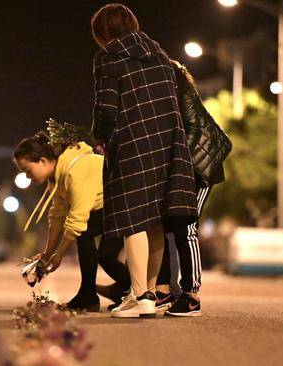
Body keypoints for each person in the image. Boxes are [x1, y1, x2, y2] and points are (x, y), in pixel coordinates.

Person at [91, 4, 198, 318]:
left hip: (132, 141)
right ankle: (149, 294)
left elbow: (107, 107)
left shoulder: (109, 58)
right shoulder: (161, 56)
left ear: (103, 32)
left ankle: (140, 296)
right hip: (168, 142)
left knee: (131, 217)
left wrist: (98, 136)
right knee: (155, 220)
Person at [14, 122, 131, 312]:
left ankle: (120, 292)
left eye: (28, 170)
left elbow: (78, 217)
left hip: (123, 201)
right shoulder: (56, 177)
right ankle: (113, 292)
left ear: (43, 161)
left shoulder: (73, 171)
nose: (28, 177)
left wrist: (58, 255)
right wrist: (46, 255)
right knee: (97, 248)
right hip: (107, 206)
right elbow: (57, 216)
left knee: (100, 250)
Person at [154, 61, 232, 316]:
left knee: (186, 226)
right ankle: (164, 289)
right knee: (166, 226)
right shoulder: (169, 100)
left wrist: (172, 161)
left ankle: (191, 295)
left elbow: (193, 132)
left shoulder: (184, 97)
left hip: (200, 171)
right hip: (183, 168)